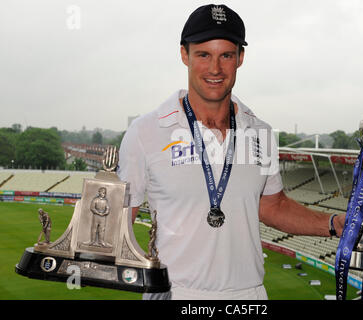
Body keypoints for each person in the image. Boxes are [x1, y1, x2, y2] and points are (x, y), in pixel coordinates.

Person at [118, 4, 345, 300]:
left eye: (226, 55)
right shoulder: (146, 131)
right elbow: (120, 222)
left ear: (240, 58)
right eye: (203, 55)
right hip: (176, 292)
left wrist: (331, 224)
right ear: (184, 54)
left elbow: (271, 206)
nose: (215, 69)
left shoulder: (260, 131)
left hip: (248, 295)